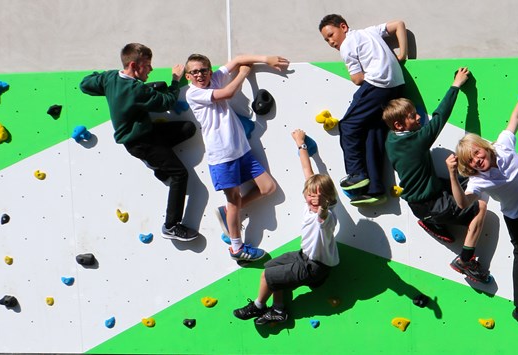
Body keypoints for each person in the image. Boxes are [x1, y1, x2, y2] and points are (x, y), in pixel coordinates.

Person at [446, 82, 518, 330]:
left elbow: (516, 118)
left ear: (484, 147)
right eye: (472, 161)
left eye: (477, 153)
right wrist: (453, 175)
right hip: (513, 212)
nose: (478, 160)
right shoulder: (477, 180)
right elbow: (462, 202)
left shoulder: (503, 146)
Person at [80, 43, 202, 242]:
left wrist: (103, 78)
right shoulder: (136, 89)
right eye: (148, 65)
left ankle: (160, 166)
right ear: (134, 66)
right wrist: (175, 80)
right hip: (142, 143)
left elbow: (85, 84)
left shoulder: (110, 78)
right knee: (180, 174)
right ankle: (171, 226)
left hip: (147, 134)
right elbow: (167, 102)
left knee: (187, 129)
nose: (151, 69)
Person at [383, 67, 490, 282]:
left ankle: (433, 222)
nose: (418, 118)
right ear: (399, 124)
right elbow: (440, 117)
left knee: (466, 176)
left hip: (423, 197)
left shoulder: (391, 140)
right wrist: (456, 85)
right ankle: (465, 260)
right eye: (412, 117)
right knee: (480, 207)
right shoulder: (416, 140)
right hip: (431, 203)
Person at [184, 53, 290, 262]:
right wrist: (242, 74)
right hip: (222, 156)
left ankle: (229, 212)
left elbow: (238, 58)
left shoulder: (214, 79)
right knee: (234, 200)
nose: (199, 75)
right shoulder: (193, 93)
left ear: (209, 71)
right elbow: (228, 92)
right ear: (188, 76)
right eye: (194, 72)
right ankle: (236, 248)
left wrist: (266, 59)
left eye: (203, 70)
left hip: (242, 150)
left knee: (268, 187)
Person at [232, 129, 341, 325]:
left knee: (268, 276)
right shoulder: (309, 204)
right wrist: (300, 143)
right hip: (304, 256)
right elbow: (307, 170)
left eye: (318, 196)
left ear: (327, 198)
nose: (312, 198)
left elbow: (323, 215)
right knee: (271, 266)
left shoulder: (325, 217)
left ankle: (258, 306)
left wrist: (323, 204)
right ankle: (278, 310)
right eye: (310, 194)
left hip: (315, 267)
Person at [318, 14, 408, 206]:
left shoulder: (347, 45)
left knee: (348, 125)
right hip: (397, 86)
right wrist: (402, 54)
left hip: (378, 85)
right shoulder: (370, 31)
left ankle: (356, 174)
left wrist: (371, 70)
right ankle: (376, 189)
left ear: (343, 26)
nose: (331, 41)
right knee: (372, 133)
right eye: (326, 39)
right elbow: (399, 24)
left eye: (331, 35)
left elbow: (357, 79)